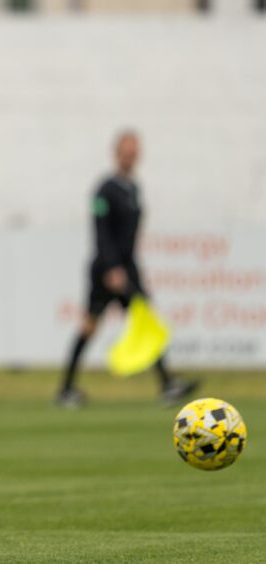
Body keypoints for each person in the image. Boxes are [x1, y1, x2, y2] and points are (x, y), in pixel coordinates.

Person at [56, 130, 197, 408]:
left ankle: (168, 384)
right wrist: (112, 269)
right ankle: (66, 389)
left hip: (128, 266)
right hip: (107, 269)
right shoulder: (105, 189)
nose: (131, 156)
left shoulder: (134, 188)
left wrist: (129, 268)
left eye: (135, 151)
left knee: (146, 319)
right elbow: (101, 232)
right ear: (116, 153)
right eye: (126, 150)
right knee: (90, 325)